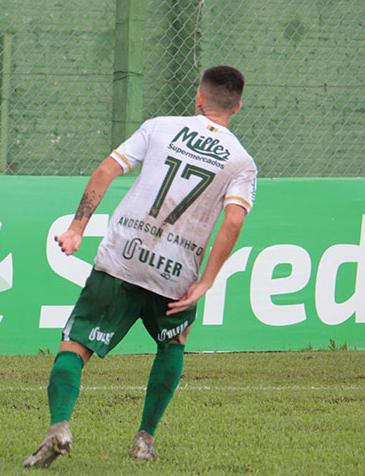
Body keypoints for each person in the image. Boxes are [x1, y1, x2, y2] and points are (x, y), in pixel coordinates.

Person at [23, 65, 256, 468]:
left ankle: (59, 428)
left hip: (122, 256)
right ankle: (144, 440)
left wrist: (77, 227)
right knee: (172, 345)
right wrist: (207, 281)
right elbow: (233, 219)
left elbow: (107, 170)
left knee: (75, 346)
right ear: (237, 106)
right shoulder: (241, 161)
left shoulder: (161, 127)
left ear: (198, 98)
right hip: (175, 272)